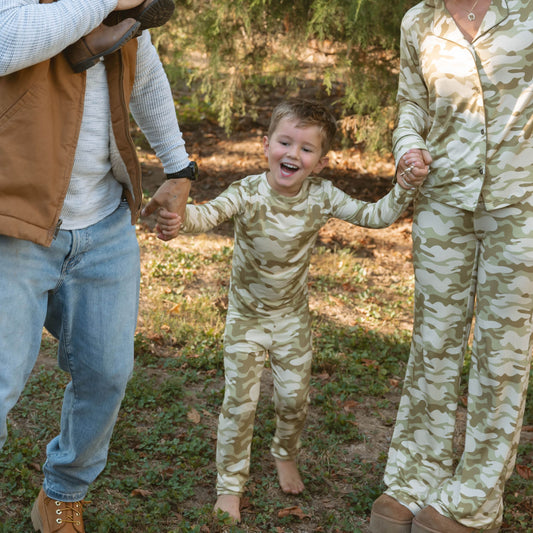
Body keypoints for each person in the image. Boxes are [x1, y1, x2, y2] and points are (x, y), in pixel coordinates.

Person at [156, 99, 426, 523]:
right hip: (246, 321)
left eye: (305, 149)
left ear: (319, 163)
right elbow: (205, 215)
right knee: (239, 405)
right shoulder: (247, 192)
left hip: (291, 321)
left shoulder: (321, 197)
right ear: (266, 146)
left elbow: (376, 216)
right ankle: (230, 486)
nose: (292, 154)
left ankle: (284, 453)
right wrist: (177, 220)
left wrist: (407, 184)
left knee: (293, 400)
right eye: (285, 142)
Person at [0, 1, 196, 531]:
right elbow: (5, 42)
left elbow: (146, 74)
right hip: (14, 220)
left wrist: (179, 167)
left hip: (104, 221)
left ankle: (62, 495)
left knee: (106, 373)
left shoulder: (125, 17)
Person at [369, 1, 533, 532]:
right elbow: (411, 103)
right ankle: (414, 480)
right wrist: (408, 145)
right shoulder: (419, 21)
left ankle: (475, 499)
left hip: (521, 205)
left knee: (501, 354)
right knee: (433, 343)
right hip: (442, 203)